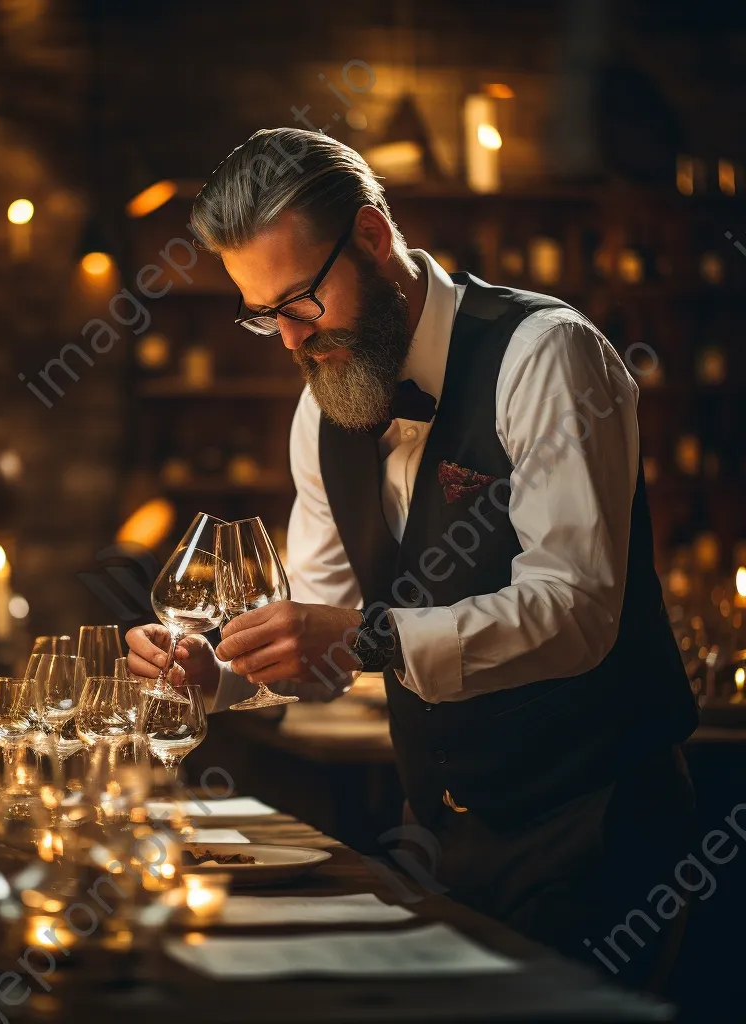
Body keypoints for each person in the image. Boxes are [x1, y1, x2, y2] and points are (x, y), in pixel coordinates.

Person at [126, 127, 699, 989]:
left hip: (593, 825)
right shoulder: (319, 413)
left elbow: (577, 610)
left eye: (300, 304)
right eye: (262, 316)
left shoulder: (545, 355)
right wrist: (221, 673)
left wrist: (368, 642)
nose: (287, 341)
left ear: (371, 236)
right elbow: (315, 632)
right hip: (436, 837)